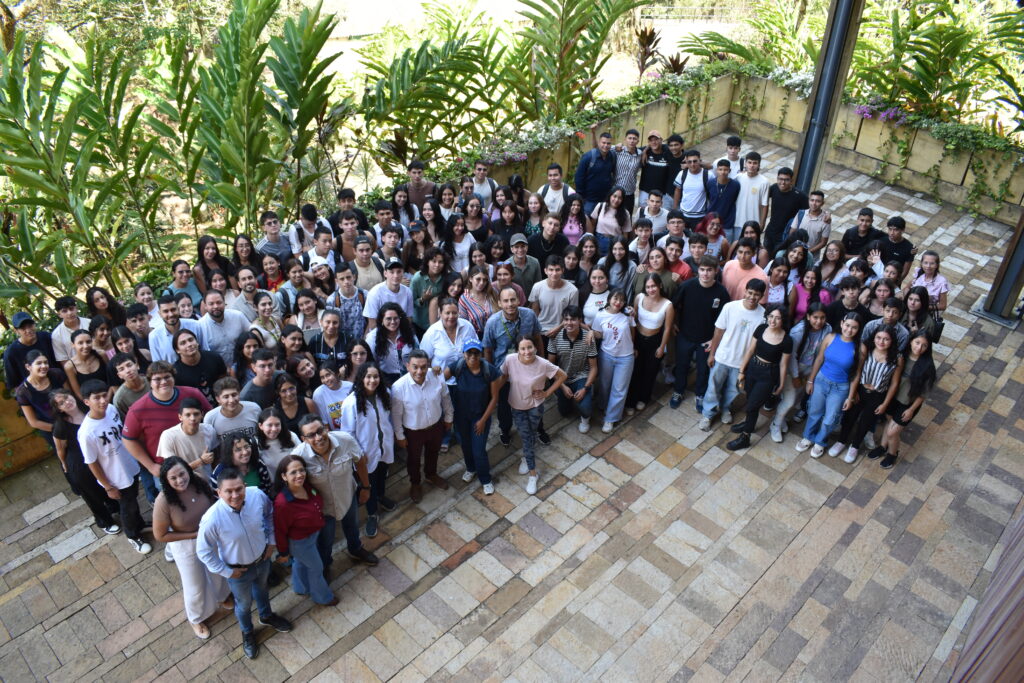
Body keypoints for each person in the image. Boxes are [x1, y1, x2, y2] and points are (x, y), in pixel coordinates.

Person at [196, 468, 293, 660]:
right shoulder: (211, 519)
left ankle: (266, 616)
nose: (235, 495)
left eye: (239, 489)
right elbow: (203, 551)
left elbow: (269, 514)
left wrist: (271, 542)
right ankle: (247, 632)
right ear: (219, 493)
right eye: (228, 491)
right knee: (244, 604)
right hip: (238, 570)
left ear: (245, 486)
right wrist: (226, 571)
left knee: (263, 590)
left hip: (262, 559)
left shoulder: (257, 495)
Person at [153, 457, 230, 639]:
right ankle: (195, 617)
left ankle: (223, 596)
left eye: (182, 474)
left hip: (210, 535)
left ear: (188, 470)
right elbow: (160, 535)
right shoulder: (163, 501)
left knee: (217, 570)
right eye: (173, 478)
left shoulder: (198, 480)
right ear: (166, 481)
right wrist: (195, 535)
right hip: (186, 544)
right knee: (194, 585)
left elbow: (212, 500)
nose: (180, 480)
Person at [78, 379, 152, 554]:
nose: (103, 401)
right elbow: (91, 462)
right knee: (127, 507)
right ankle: (133, 536)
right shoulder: (87, 432)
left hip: (130, 466)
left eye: (104, 396)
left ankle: (139, 524)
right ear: (87, 401)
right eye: (97, 398)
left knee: (133, 500)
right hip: (116, 476)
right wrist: (108, 486)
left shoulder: (111, 410)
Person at [122, 362, 211, 503]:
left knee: (208, 499)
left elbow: (209, 417)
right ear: (149, 382)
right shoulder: (137, 409)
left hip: (199, 460)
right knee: (177, 507)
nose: (163, 382)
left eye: (167, 377)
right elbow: (128, 439)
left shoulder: (192, 394)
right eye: (157, 379)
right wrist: (151, 467)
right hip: (167, 470)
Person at [500, 337, 566, 495]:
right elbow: (501, 378)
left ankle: (526, 458)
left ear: (535, 348)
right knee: (526, 437)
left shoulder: (543, 364)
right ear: (518, 350)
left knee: (529, 436)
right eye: (522, 349)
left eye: (529, 347)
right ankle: (533, 474)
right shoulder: (509, 360)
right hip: (517, 406)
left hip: (535, 407)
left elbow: (562, 376)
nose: (526, 351)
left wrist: (547, 393)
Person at [50, 389, 120, 534]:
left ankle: (114, 506)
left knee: (106, 482)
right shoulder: (61, 425)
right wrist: (64, 464)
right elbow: (60, 449)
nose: (67, 402)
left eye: (67, 397)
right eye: (61, 403)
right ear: (59, 409)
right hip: (79, 462)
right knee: (91, 493)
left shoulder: (88, 409)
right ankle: (105, 521)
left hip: (100, 454)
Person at [829, 325, 903, 463]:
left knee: (866, 421)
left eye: (886, 339)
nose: (881, 342)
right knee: (849, 417)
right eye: (879, 338)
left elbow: (894, 383)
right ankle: (841, 441)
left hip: (878, 394)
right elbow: (857, 372)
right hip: (861, 390)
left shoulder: (897, 358)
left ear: (892, 341)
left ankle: (855, 446)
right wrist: (854, 392)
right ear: (874, 338)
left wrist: (885, 403)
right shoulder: (867, 349)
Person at [699, 280, 767, 430]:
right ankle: (708, 414)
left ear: (762, 296)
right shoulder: (730, 307)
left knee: (733, 389)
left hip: (741, 363)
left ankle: (725, 409)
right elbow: (718, 331)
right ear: (745, 291)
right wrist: (712, 354)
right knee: (713, 387)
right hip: (722, 357)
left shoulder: (763, 316)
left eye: (756, 294)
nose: (752, 297)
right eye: (750, 293)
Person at [795, 312, 864, 458]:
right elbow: (819, 359)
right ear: (841, 324)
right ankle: (808, 437)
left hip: (841, 388)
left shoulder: (860, 348)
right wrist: (810, 380)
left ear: (859, 329)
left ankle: (820, 441)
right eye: (847, 325)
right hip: (821, 380)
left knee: (830, 418)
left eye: (854, 327)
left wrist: (850, 397)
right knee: (814, 411)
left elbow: (856, 374)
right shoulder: (831, 337)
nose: (849, 330)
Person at [272, 456, 339, 605]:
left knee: (301, 563)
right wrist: (283, 553)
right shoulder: (283, 503)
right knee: (316, 568)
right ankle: (323, 598)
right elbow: (280, 530)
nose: (299, 475)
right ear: (284, 476)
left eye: (301, 470)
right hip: (300, 543)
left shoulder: (307, 486)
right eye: (293, 472)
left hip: (312, 535)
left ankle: (301, 587)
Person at [482, 286, 544, 446]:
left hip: (529, 368)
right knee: (504, 406)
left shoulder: (529, 315)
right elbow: (488, 350)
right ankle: (505, 430)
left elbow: (538, 338)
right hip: (504, 373)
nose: (510, 304)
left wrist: (542, 364)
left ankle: (539, 429)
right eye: (506, 301)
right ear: (500, 303)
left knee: (535, 401)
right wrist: (491, 376)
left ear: (518, 300)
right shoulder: (492, 323)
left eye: (513, 300)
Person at [340, 363, 396, 537]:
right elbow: (347, 433)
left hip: (384, 446)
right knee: (368, 483)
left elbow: (388, 419)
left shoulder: (384, 394)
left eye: (376, 376)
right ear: (361, 378)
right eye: (368, 377)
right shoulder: (351, 403)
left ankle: (381, 496)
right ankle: (372, 514)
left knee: (381, 474)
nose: (372, 380)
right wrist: (358, 453)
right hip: (365, 452)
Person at [391, 350, 454, 502]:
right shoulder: (399, 387)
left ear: (428, 366)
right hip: (413, 431)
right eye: (415, 367)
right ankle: (415, 483)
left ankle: (431, 475)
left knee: (433, 452)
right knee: (413, 459)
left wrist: (449, 417)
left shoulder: (436, 375)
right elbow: (396, 415)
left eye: (423, 367)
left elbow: (446, 398)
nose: (419, 371)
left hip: (435, 425)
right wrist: (399, 435)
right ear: (407, 366)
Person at [728, 305, 793, 450]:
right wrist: (742, 370)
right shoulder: (761, 328)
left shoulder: (787, 340)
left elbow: (783, 364)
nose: (773, 321)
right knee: (750, 400)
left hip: (768, 375)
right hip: (753, 368)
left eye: (777, 318)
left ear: (783, 320)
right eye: (771, 316)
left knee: (752, 405)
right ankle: (748, 423)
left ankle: (745, 437)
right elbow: (750, 350)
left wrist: (781, 384)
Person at [670, 256, 730, 411]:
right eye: (702, 269)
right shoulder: (687, 286)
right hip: (685, 335)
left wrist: (714, 340)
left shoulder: (721, 292)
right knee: (682, 366)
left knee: (703, 370)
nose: (705, 273)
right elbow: (673, 305)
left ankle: (700, 395)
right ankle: (678, 391)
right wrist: (673, 323)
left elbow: (724, 320)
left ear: (716, 271)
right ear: (698, 271)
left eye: (709, 270)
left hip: (706, 339)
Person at [872, 331, 936, 469]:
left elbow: (923, 394)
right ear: (911, 341)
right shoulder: (901, 356)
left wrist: (911, 410)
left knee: (892, 432)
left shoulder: (928, 366)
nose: (919, 348)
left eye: (924, 346)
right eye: (917, 343)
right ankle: (883, 447)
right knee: (889, 422)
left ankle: (892, 454)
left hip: (908, 403)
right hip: (893, 396)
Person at [445, 340, 501, 494]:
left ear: (481, 354)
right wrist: (434, 370)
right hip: (461, 417)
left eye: (476, 352)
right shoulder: (458, 367)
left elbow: (494, 398)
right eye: (469, 352)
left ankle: (485, 479)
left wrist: (483, 420)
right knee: (465, 445)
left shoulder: (489, 371)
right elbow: (438, 381)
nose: (473, 356)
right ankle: (471, 468)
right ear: (464, 354)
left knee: (478, 450)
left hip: (480, 416)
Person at [627, 274, 675, 414]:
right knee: (635, 371)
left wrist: (662, 347)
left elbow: (667, 329)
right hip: (639, 339)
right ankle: (630, 401)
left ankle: (643, 398)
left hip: (655, 341)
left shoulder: (668, 305)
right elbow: (633, 319)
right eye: (648, 287)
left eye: (653, 286)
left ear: (660, 285)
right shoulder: (639, 298)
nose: (651, 289)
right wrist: (633, 344)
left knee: (650, 372)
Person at [546, 306, 598, 433]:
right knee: (564, 412)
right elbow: (550, 366)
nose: (569, 323)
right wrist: (562, 386)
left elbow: (594, 368)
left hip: (581, 376)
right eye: (566, 319)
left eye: (573, 319)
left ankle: (585, 417)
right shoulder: (555, 337)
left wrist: (585, 388)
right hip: (561, 377)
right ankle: (566, 397)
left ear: (580, 320)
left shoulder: (588, 338)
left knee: (586, 408)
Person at [592, 288, 635, 433]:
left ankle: (610, 418)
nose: (618, 302)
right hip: (606, 354)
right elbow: (599, 333)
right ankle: (603, 406)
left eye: (622, 300)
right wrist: (591, 332)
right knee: (604, 385)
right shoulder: (600, 315)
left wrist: (633, 346)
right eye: (616, 298)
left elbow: (632, 330)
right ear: (609, 299)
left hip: (626, 357)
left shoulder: (628, 314)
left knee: (619, 389)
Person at [16, 350, 68, 450]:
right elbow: (33, 422)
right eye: (39, 363)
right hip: (51, 430)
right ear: (28, 367)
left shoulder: (57, 374)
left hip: (71, 420)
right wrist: (59, 430)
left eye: (45, 362)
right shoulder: (23, 391)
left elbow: (70, 396)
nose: (44, 366)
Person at [155, 397, 218, 476]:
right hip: (183, 484)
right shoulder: (168, 436)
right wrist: (200, 461)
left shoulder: (209, 430)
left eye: (196, 414)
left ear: (202, 415)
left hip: (208, 483)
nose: (192, 418)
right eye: (188, 415)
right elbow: (172, 470)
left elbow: (216, 455)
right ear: (180, 417)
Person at [172, 328, 227, 404]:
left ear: (197, 342)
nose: (189, 344)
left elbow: (224, 380)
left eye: (191, 340)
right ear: (177, 350)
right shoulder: (175, 372)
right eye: (183, 343)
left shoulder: (214, 357)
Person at [197, 289, 251, 368]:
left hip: (243, 365)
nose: (216, 306)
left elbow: (251, 335)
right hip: (218, 371)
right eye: (211, 304)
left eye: (219, 302)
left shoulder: (238, 316)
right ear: (205, 306)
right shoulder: (200, 326)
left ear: (224, 302)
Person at [3, 312, 57, 389]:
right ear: (16, 331)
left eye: (30, 326)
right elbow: (14, 383)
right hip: (34, 391)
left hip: (57, 384)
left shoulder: (46, 337)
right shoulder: (11, 353)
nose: (28, 330)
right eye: (23, 328)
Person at [529, 255, 579, 336]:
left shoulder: (572, 290)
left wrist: (558, 329)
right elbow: (535, 311)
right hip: (541, 330)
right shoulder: (537, 287)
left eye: (557, 270)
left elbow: (572, 314)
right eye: (551, 270)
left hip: (563, 330)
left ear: (563, 270)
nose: (554, 273)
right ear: (545, 271)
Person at [764, 168, 809, 254]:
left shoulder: (799, 196)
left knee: (778, 258)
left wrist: (826, 214)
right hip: (770, 232)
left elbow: (811, 210)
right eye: (780, 179)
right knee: (765, 255)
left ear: (791, 181)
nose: (783, 183)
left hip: (785, 235)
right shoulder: (774, 188)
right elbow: (760, 195)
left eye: (786, 180)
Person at [363, 257, 414, 331]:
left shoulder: (408, 292)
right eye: (392, 272)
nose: (396, 276)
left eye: (399, 272)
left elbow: (408, 319)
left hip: (401, 332)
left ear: (403, 273)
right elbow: (372, 324)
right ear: (385, 273)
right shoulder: (374, 293)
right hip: (380, 333)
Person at [575, 131, 617, 214]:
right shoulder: (588, 157)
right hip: (589, 200)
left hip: (605, 199)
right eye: (603, 142)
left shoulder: (612, 156)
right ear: (599, 142)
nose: (605, 145)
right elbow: (579, 178)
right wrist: (581, 197)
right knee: (587, 222)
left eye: (608, 143)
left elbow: (612, 173)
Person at [733, 153, 770, 244]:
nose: (752, 165)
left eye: (755, 163)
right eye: (749, 162)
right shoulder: (738, 178)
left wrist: (762, 224)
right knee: (736, 247)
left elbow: (765, 205)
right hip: (737, 222)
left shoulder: (764, 182)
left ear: (759, 165)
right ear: (745, 163)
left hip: (754, 224)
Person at [672, 149, 710, 232]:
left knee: (697, 241)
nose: (692, 164)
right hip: (683, 214)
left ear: (700, 161)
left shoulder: (707, 175)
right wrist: (674, 209)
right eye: (689, 162)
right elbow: (677, 191)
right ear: (686, 162)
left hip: (700, 216)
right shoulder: (682, 174)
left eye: (695, 161)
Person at [588, 186, 632, 256]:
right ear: (610, 196)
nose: (616, 200)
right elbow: (592, 224)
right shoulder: (600, 206)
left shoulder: (625, 213)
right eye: (614, 196)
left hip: (615, 244)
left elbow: (625, 235)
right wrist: (590, 240)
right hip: (599, 240)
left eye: (620, 198)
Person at [255, 407, 298, 474]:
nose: (274, 429)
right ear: (261, 426)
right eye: (269, 425)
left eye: (277, 424)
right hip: (271, 483)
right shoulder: (256, 443)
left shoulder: (291, 436)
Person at [311, 360, 353, 430]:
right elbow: (324, 423)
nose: (326, 380)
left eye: (328, 375)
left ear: (337, 373)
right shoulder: (319, 394)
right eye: (322, 377)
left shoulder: (350, 386)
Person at [789, 190, 832, 255]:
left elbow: (823, 243)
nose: (814, 203)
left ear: (822, 203)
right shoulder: (801, 213)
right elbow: (792, 233)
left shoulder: (826, 220)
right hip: (795, 253)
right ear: (809, 201)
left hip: (811, 257)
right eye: (812, 200)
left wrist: (807, 253)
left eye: (818, 201)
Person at [637, 130, 672, 209]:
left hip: (663, 192)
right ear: (648, 142)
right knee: (643, 214)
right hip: (646, 191)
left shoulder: (667, 151)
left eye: (656, 139)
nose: (654, 142)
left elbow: (680, 152)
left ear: (661, 140)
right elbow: (631, 150)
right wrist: (645, 150)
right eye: (651, 140)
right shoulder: (644, 151)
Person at [51, 297, 91, 363]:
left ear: (76, 308)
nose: (69, 313)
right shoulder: (57, 335)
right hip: (77, 368)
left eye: (71, 309)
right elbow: (63, 360)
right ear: (59, 314)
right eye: (64, 311)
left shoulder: (89, 323)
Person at [111, 353, 150, 418]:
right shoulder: (119, 399)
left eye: (129, 365)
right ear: (119, 375)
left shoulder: (152, 381)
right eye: (121, 369)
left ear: (137, 365)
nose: (127, 371)